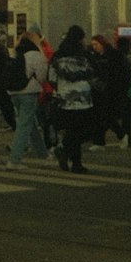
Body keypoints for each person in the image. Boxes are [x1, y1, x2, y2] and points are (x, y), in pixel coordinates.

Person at [48, 24, 94, 174]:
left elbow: (51, 78)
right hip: (83, 98)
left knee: (71, 129)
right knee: (84, 130)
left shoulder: (58, 56)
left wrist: (61, 88)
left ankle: (72, 158)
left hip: (65, 99)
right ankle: (70, 156)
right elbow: (94, 72)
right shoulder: (85, 56)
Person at [7, 24, 51, 167]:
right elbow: (42, 76)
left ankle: (43, 153)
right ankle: (14, 160)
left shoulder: (15, 53)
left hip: (13, 92)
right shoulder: (35, 54)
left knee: (29, 122)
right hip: (29, 91)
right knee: (25, 125)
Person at [88, 33, 131, 148]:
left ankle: (117, 136)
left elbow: (117, 74)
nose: (94, 47)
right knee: (103, 117)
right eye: (93, 45)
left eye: (96, 44)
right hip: (101, 91)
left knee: (106, 117)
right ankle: (102, 141)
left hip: (111, 91)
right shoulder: (98, 57)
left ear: (102, 43)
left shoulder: (112, 56)